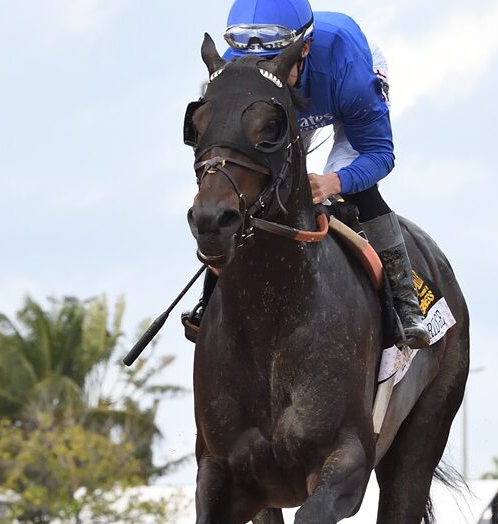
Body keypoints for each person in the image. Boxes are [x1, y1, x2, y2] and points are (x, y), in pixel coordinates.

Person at [183, 0, 431, 350]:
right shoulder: (236, 72)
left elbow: (380, 154)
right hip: (275, 111)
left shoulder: (349, 74)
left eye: (278, 63)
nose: (268, 75)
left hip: (337, 86)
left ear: (304, 50)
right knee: (242, 190)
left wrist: (334, 182)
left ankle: (407, 304)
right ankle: (209, 299)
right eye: (258, 64)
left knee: (352, 189)